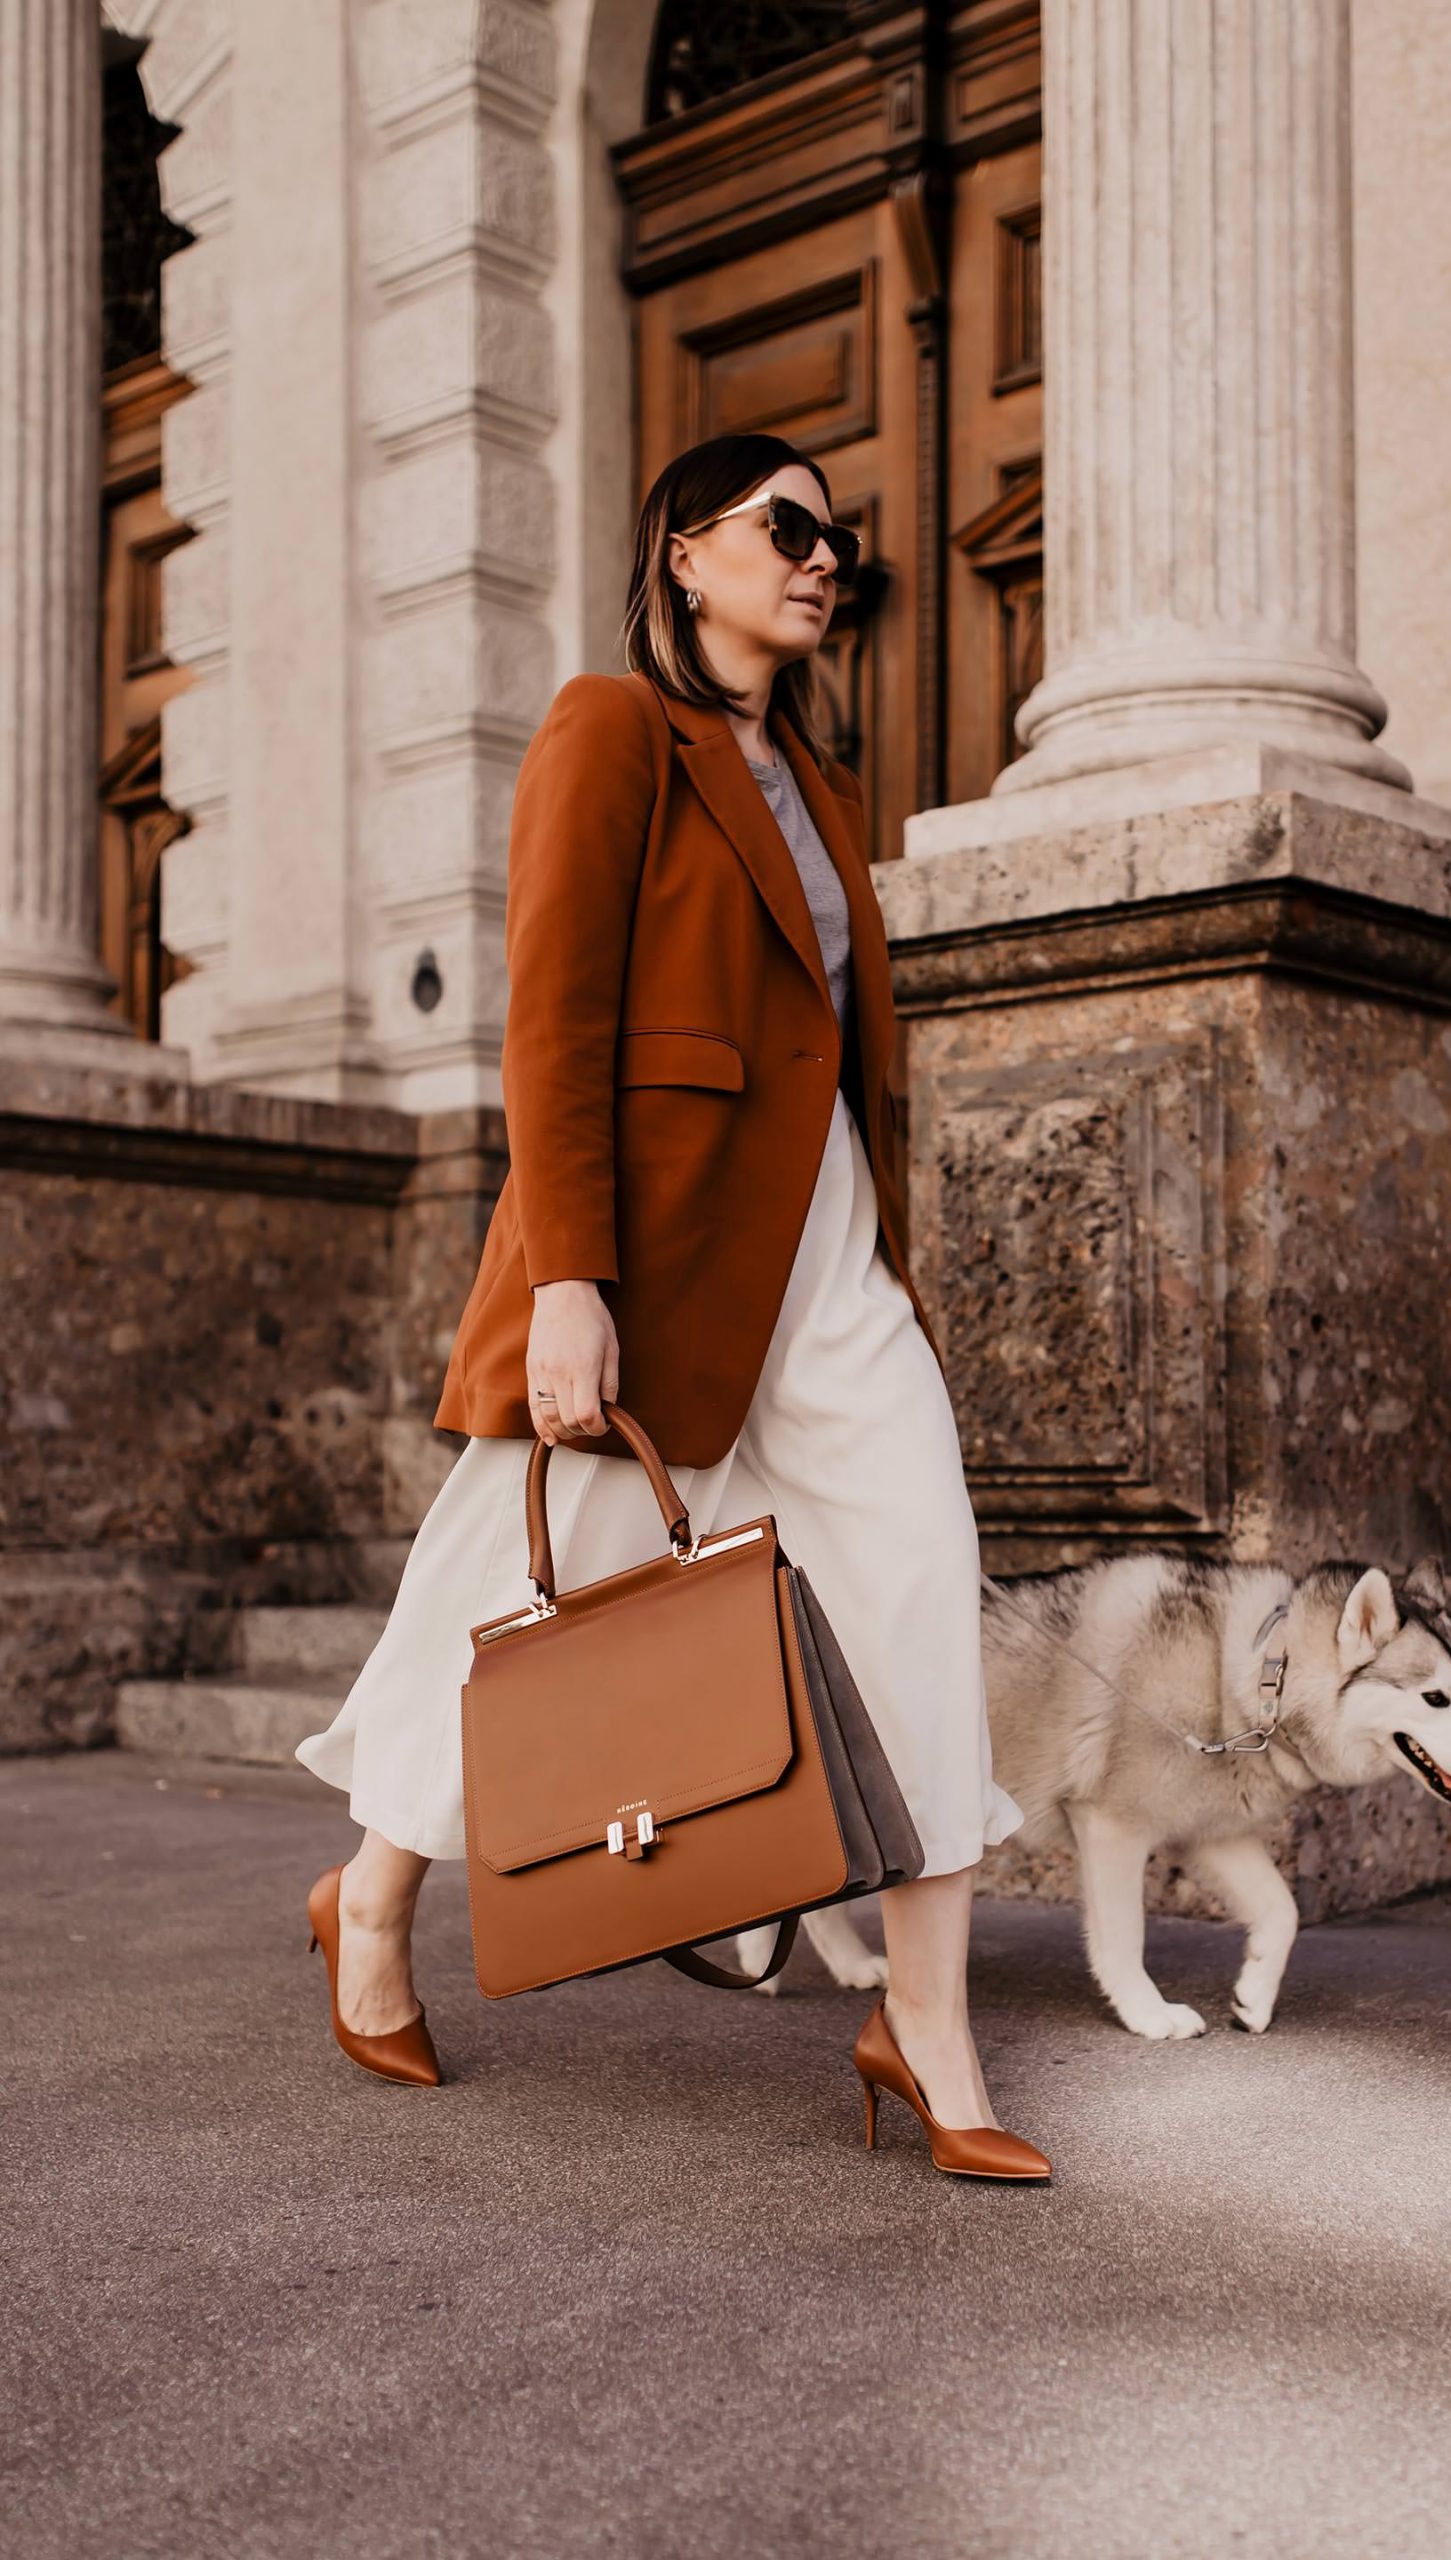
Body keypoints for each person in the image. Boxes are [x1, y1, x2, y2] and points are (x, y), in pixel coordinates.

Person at [296, 431, 1050, 2182]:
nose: (823, 560)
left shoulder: (821, 779)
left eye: (839, 542)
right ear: (684, 553)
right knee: (508, 1586)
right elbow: (553, 1021)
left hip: (831, 1252)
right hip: (656, 1250)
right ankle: (376, 1900)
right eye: (787, 527)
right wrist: (570, 1277)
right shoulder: (606, 727)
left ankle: (925, 2025)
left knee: (925, 1581)